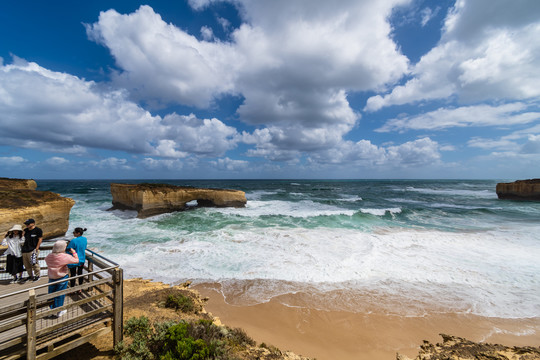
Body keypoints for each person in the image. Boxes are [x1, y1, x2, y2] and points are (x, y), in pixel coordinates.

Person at [45, 240, 79, 318]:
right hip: (62, 278)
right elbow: (76, 261)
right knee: (60, 294)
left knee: (51, 294)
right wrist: (74, 252)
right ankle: (59, 311)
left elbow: (46, 260)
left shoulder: (49, 255)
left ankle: (51, 310)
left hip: (51, 277)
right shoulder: (64, 256)